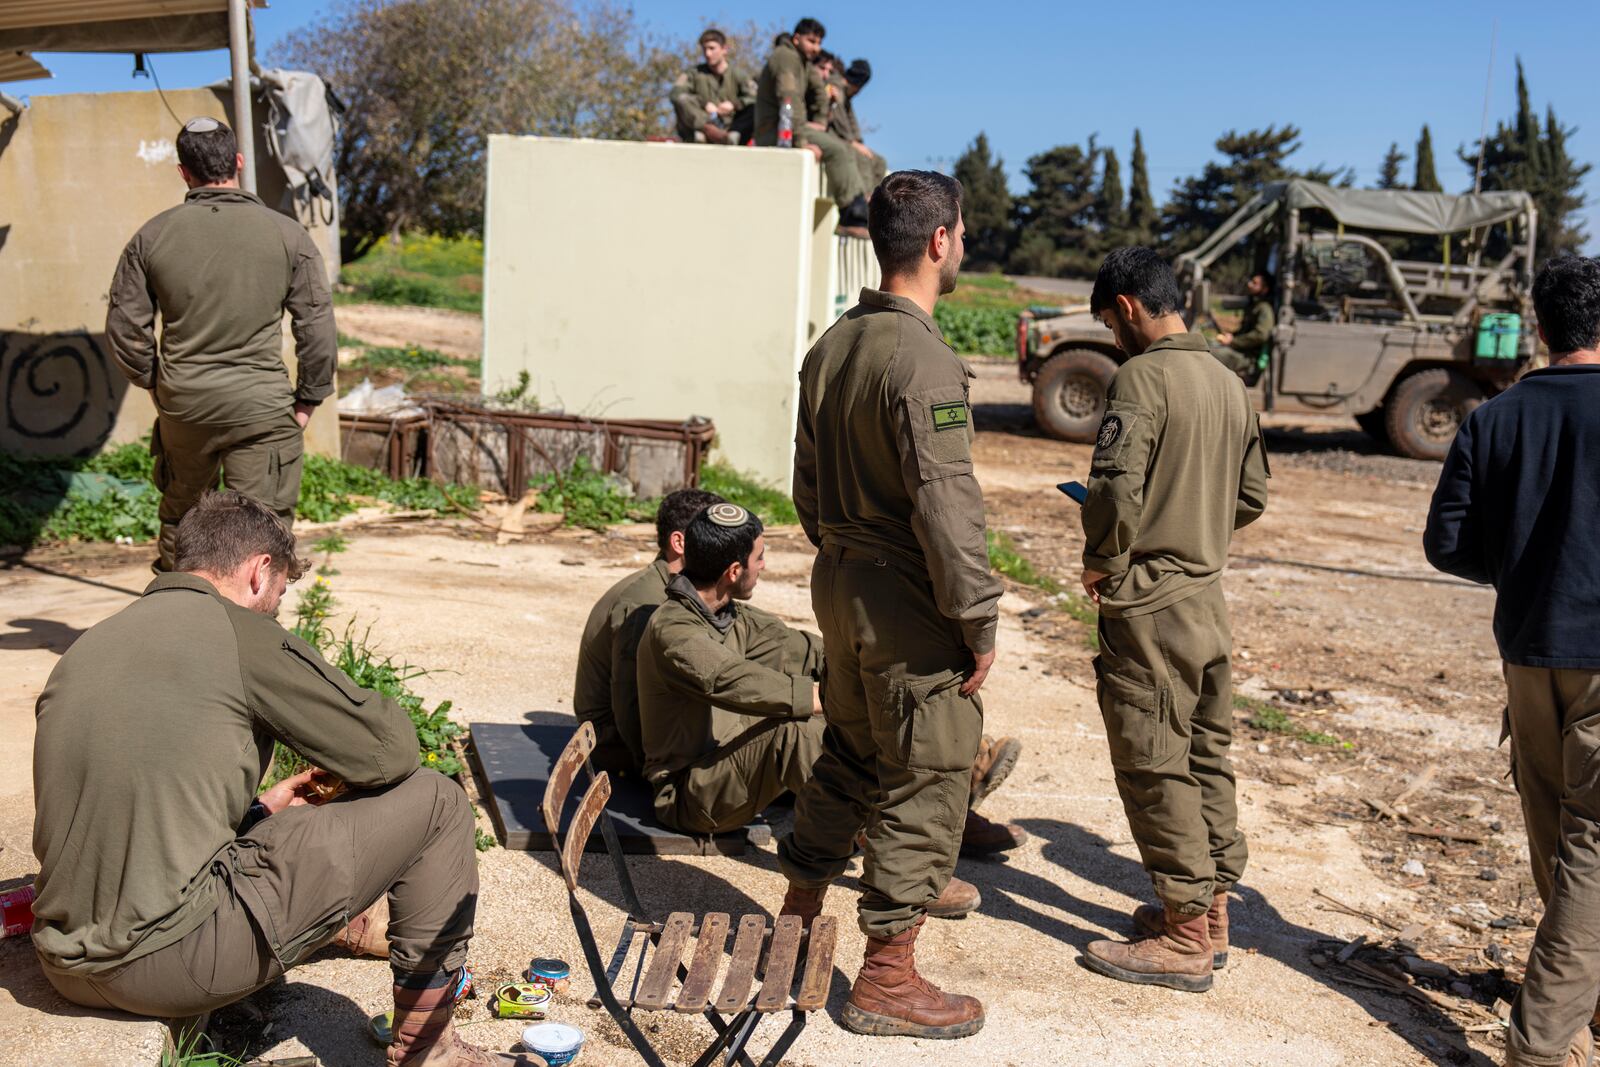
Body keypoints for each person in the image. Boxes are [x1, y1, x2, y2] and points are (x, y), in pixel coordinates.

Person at [30, 491, 535, 1067]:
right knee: (438, 801)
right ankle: (430, 1051)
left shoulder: (92, 643)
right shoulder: (238, 631)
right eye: (280, 593)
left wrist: (256, 812)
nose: (276, 609)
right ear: (257, 571)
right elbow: (388, 750)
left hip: (65, 962)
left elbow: (137, 798)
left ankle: (338, 922)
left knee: (279, 826)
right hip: (166, 963)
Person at [776, 170, 1011, 1040]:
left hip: (840, 578)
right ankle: (886, 976)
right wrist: (976, 617)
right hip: (906, 594)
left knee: (849, 751)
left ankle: (798, 926)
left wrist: (844, 548)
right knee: (930, 772)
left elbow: (803, 485)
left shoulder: (833, 343)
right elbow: (949, 507)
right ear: (941, 240)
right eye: (964, 233)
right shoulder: (924, 360)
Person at [636, 504, 1021, 884]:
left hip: (734, 763)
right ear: (734, 571)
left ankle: (939, 802)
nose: (764, 567)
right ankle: (899, 864)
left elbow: (806, 651)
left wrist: (883, 670)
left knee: (851, 703)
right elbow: (730, 680)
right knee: (802, 730)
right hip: (692, 794)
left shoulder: (727, 615)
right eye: (760, 557)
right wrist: (828, 697)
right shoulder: (675, 631)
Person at [1077, 246, 1269, 994]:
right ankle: (1213, 912)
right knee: (1204, 754)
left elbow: (1116, 486)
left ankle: (1185, 934)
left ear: (1126, 307)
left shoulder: (1141, 377)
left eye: (1109, 322)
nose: (1113, 337)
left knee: (1154, 761)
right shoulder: (1229, 380)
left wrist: (1103, 558)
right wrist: (1196, 519)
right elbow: (1250, 495)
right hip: (1207, 601)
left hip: (1150, 604)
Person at [1423, 255, 1600, 1067]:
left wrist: (1526, 566)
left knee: (1560, 836)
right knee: (1591, 849)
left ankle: (1578, 993)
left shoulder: (1494, 418)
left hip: (1529, 653)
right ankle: (1538, 1045)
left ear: (1539, 325)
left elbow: (1447, 543)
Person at [105, 118, 336, 573]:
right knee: (264, 528)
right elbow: (317, 327)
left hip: (186, 406)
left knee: (182, 520)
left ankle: (180, 628)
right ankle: (254, 637)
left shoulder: (150, 238)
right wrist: (308, 398)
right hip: (262, 409)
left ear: (183, 172)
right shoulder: (288, 236)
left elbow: (125, 328)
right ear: (238, 162)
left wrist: (157, 384)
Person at [573, 487, 723, 776]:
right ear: (679, 542)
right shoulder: (647, 603)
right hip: (616, 744)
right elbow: (631, 710)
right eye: (714, 538)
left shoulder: (670, 588)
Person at [753, 18, 870, 227]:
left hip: (791, 125)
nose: (816, 48)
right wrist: (800, 141)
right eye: (811, 41)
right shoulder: (785, 58)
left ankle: (861, 203)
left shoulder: (802, 62)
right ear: (796, 39)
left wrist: (819, 122)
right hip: (776, 130)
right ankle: (851, 213)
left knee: (844, 148)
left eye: (819, 43)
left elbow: (819, 94)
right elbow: (789, 99)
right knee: (837, 149)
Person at [669, 28, 756, 145]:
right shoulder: (694, 73)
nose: (707, 53)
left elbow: (755, 96)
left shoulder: (738, 74)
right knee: (682, 100)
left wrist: (734, 105)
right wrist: (704, 104)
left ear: (724, 49)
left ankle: (731, 136)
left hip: (732, 126)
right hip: (701, 124)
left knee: (755, 107)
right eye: (704, 49)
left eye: (712, 48)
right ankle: (708, 131)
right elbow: (675, 93)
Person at [829, 59, 888, 193]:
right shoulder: (836, 87)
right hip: (834, 135)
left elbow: (852, 121)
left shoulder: (847, 97)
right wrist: (852, 142)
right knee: (863, 159)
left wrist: (858, 141)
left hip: (847, 139)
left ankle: (875, 199)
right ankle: (865, 198)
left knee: (880, 162)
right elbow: (839, 120)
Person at [1210, 272, 1275, 385]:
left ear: (1264, 289)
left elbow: (1261, 334)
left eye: (1255, 283)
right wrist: (1232, 336)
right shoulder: (1254, 305)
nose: (1249, 285)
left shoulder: (1264, 309)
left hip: (1248, 359)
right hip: (1241, 351)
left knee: (1210, 354)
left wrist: (1233, 341)